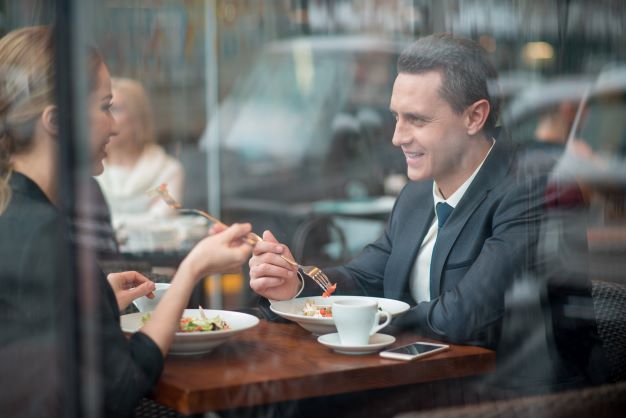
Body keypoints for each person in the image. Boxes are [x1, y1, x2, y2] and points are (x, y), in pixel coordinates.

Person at [0, 26, 252, 417]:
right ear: (56, 121)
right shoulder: (44, 233)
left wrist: (97, 302)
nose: (114, 126)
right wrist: (192, 270)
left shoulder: (17, 215)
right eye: (104, 107)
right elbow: (120, 390)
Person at [249, 33, 545, 349]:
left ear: (474, 117)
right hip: (424, 380)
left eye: (416, 119)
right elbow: (363, 279)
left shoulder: (527, 190)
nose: (397, 137)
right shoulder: (416, 195)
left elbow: (464, 315)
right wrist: (295, 284)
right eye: (396, 117)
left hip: (506, 394)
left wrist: (371, 318)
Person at [95, 77, 184, 223]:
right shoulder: (89, 170)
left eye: (115, 109)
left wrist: (111, 223)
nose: (107, 119)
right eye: (104, 109)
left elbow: (164, 218)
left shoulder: (168, 170)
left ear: (137, 117)